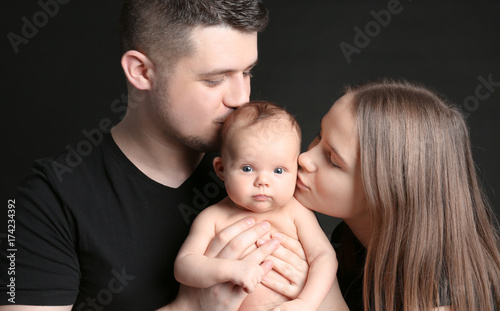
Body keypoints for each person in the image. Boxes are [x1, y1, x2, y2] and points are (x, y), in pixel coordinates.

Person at [0, 1, 311, 310]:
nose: (242, 98)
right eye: (215, 79)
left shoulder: (272, 173)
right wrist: (190, 309)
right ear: (142, 71)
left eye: (247, 72)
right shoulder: (48, 197)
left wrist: (312, 296)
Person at [295, 79, 500, 311]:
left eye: (333, 160)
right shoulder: (349, 245)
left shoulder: (444, 301)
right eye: (318, 136)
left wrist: (324, 291)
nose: (305, 158)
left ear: (386, 190)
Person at [174, 101, 336, 311]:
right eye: (248, 168)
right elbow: (184, 265)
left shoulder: (296, 212)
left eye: (278, 170)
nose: (263, 181)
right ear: (222, 169)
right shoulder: (213, 218)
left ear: (295, 169)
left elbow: (324, 257)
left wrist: (305, 303)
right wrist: (229, 269)